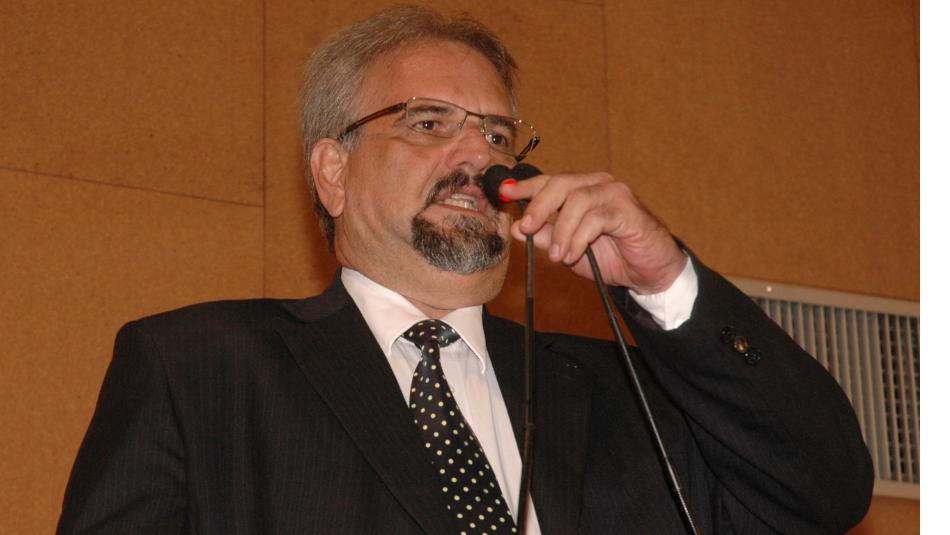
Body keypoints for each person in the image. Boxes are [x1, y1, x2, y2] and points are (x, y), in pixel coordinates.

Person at [57, 6, 873, 534]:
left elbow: (824, 489)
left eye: (496, 135)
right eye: (428, 122)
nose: (477, 157)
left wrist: (664, 281)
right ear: (333, 171)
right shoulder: (199, 368)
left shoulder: (618, 397)